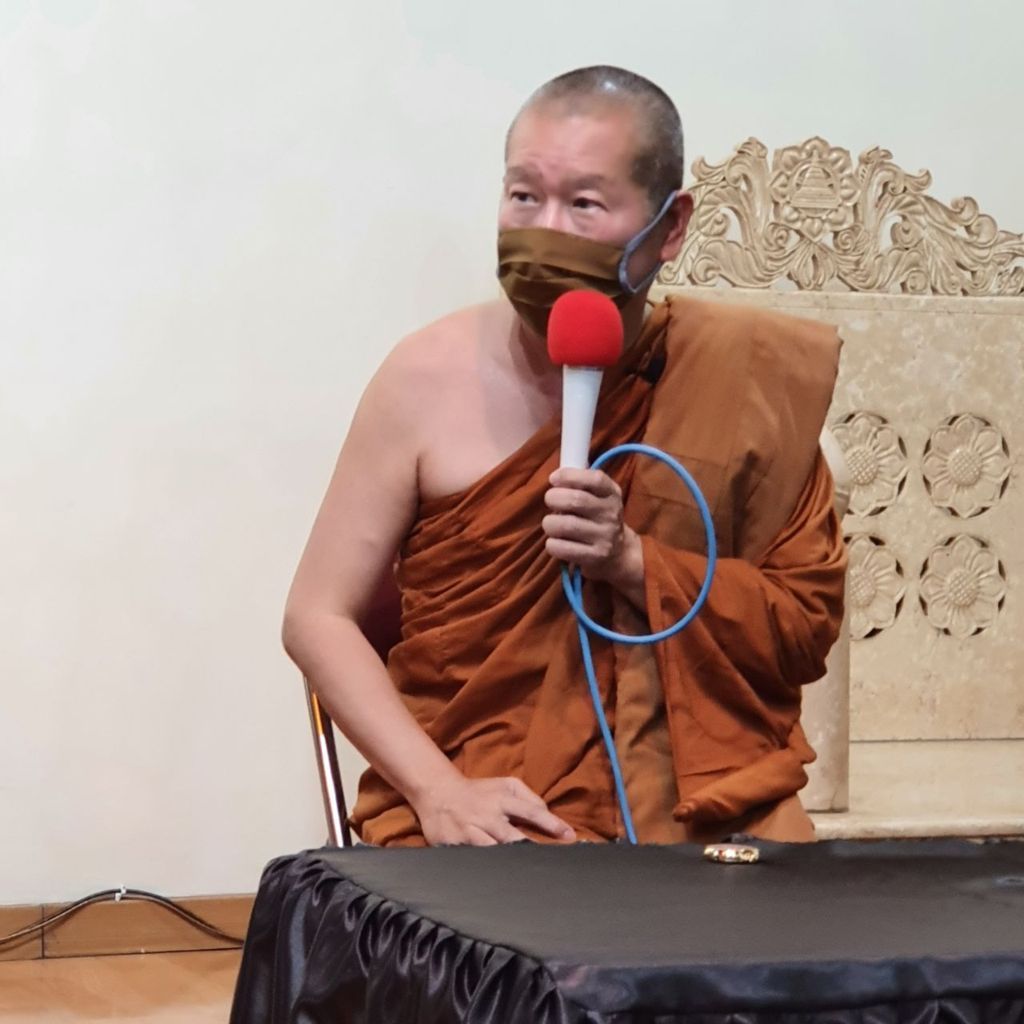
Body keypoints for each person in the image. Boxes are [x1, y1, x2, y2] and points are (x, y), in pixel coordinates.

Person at [282, 65, 847, 848]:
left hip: (701, 810)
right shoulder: (423, 378)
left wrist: (636, 564)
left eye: (584, 204)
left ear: (670, 228)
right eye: (524, 197)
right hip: (480, 805)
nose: (545, 231)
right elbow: (317, 616)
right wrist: (438, 791)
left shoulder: (748, 387)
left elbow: (803, 627)